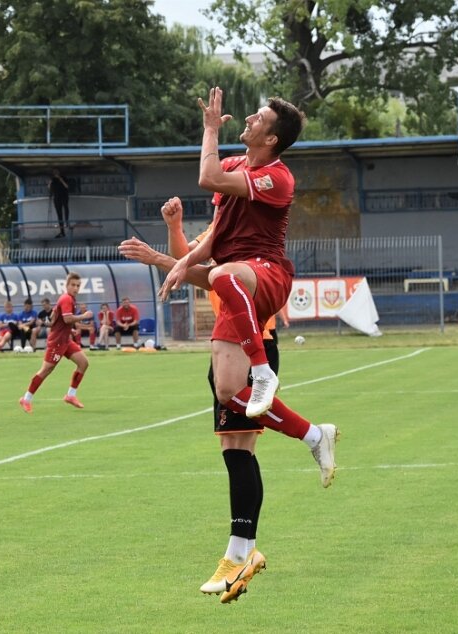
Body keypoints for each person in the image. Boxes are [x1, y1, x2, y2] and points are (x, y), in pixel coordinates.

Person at [156, 88, 339, 603]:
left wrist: (209, 127)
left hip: (266, 277)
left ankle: (265, 374)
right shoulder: (240, 166)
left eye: (256, 117)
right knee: (233, 439)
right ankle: (241, 553)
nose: (248, 119)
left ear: (271, 136)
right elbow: (212, 241)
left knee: (229, 278)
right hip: (233, 299)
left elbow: (208, 178)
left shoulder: (276, 176)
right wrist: (172, 255)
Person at [19, 272, 92, 413]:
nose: (76, 288)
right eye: (73, 285)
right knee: (46, 370)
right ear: (67, 285)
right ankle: (26, 399)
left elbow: (54, 320)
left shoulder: (68, 299)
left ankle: (70, 395)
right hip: (57, 342)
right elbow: (67, 319)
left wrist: (68, 331)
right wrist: (84, 316)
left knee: (83, 363)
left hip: (65, 340)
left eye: (78, 285)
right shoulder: (66, 299)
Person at [49, 168, 70, 238]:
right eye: (54, 172)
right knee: (59, 214)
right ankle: (62, 232)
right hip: (56, 198)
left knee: (66, 208)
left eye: (57, 172)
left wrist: (61, 180)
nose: (56, 173)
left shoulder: (63, 178)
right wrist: (49, 182)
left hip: (64, 196)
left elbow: (67, 186)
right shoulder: (52, 179)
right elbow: (49, 188)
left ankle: (67, 222)